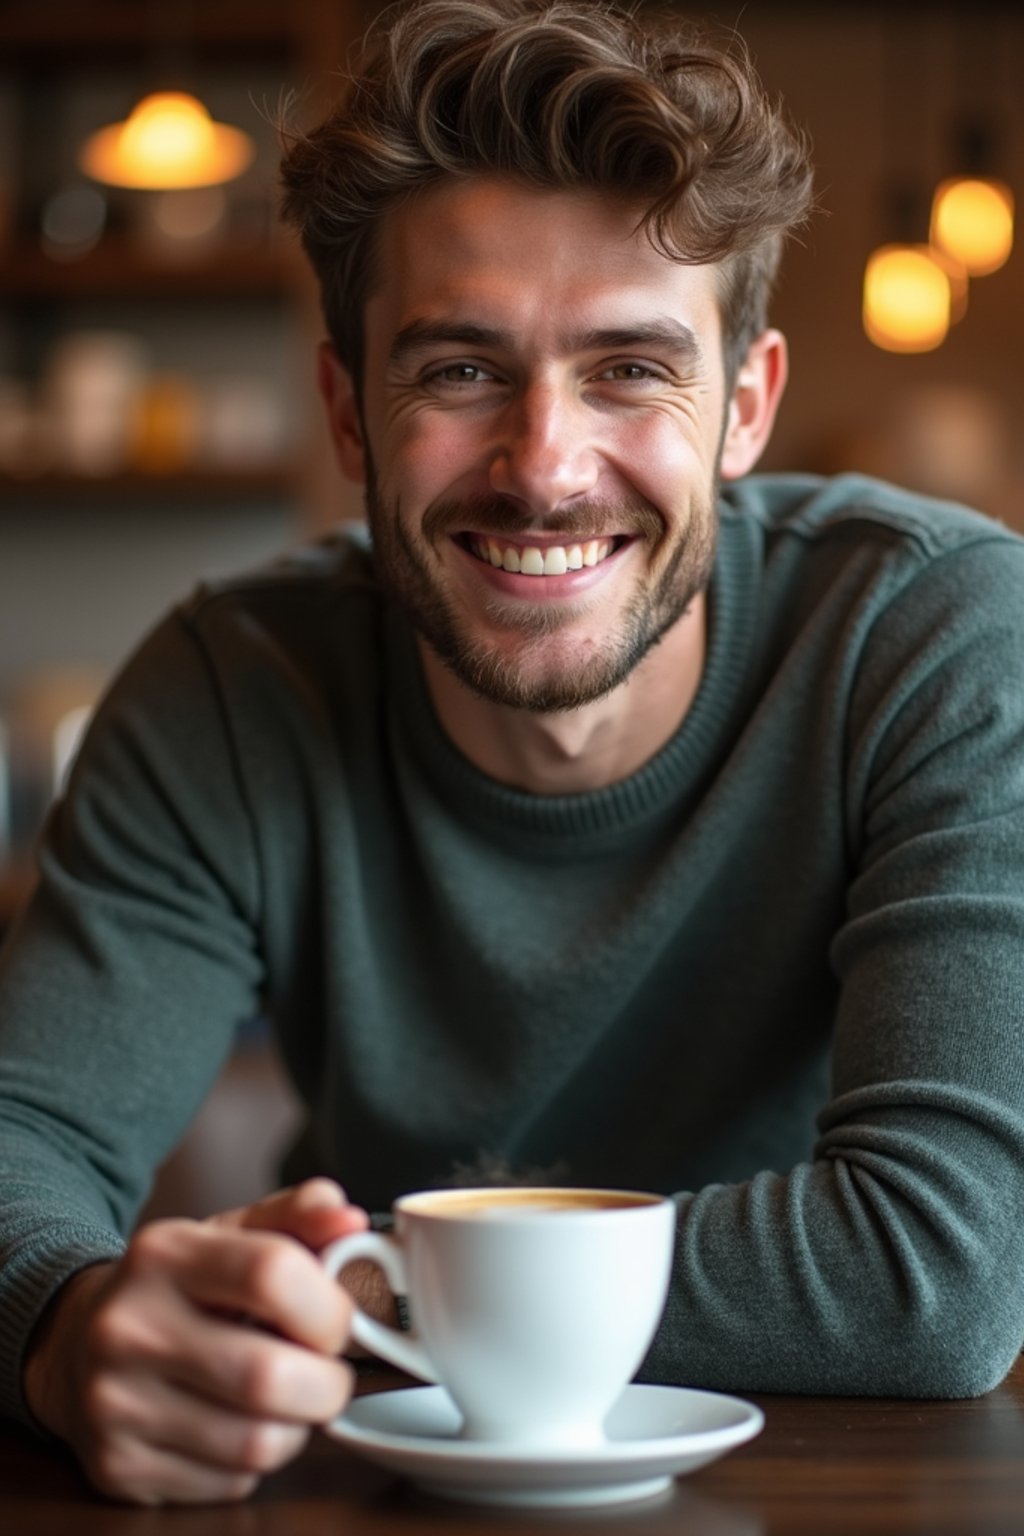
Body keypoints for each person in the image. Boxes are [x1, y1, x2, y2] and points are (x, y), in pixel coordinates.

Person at [3, 0, 1024, 1507]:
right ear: (348, 408)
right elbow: (25, 1145)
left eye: (630, 369)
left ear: (745, 407)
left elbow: (935, 1275)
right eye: (462, 371)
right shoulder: (233, 684)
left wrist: (363, 1294)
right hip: (392, 1481)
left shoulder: (938, 632)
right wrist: (72, 1326)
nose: (545, 467)